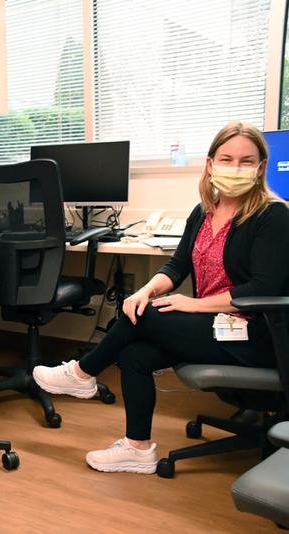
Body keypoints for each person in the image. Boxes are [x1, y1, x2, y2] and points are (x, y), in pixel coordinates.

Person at [33, 121, 289, 474]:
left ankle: (82, 372)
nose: (236, 168)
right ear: (211, 163)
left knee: (148, 316)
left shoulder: (272, 216)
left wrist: (193, 304)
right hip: (214, 326)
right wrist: (145, 290)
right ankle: (138, 449)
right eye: (227, 159)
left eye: (247, 161)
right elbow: (176, 265)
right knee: (134, 350)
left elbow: (263, 289)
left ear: (261, 167)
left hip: (255, 335)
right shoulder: (204, 212)